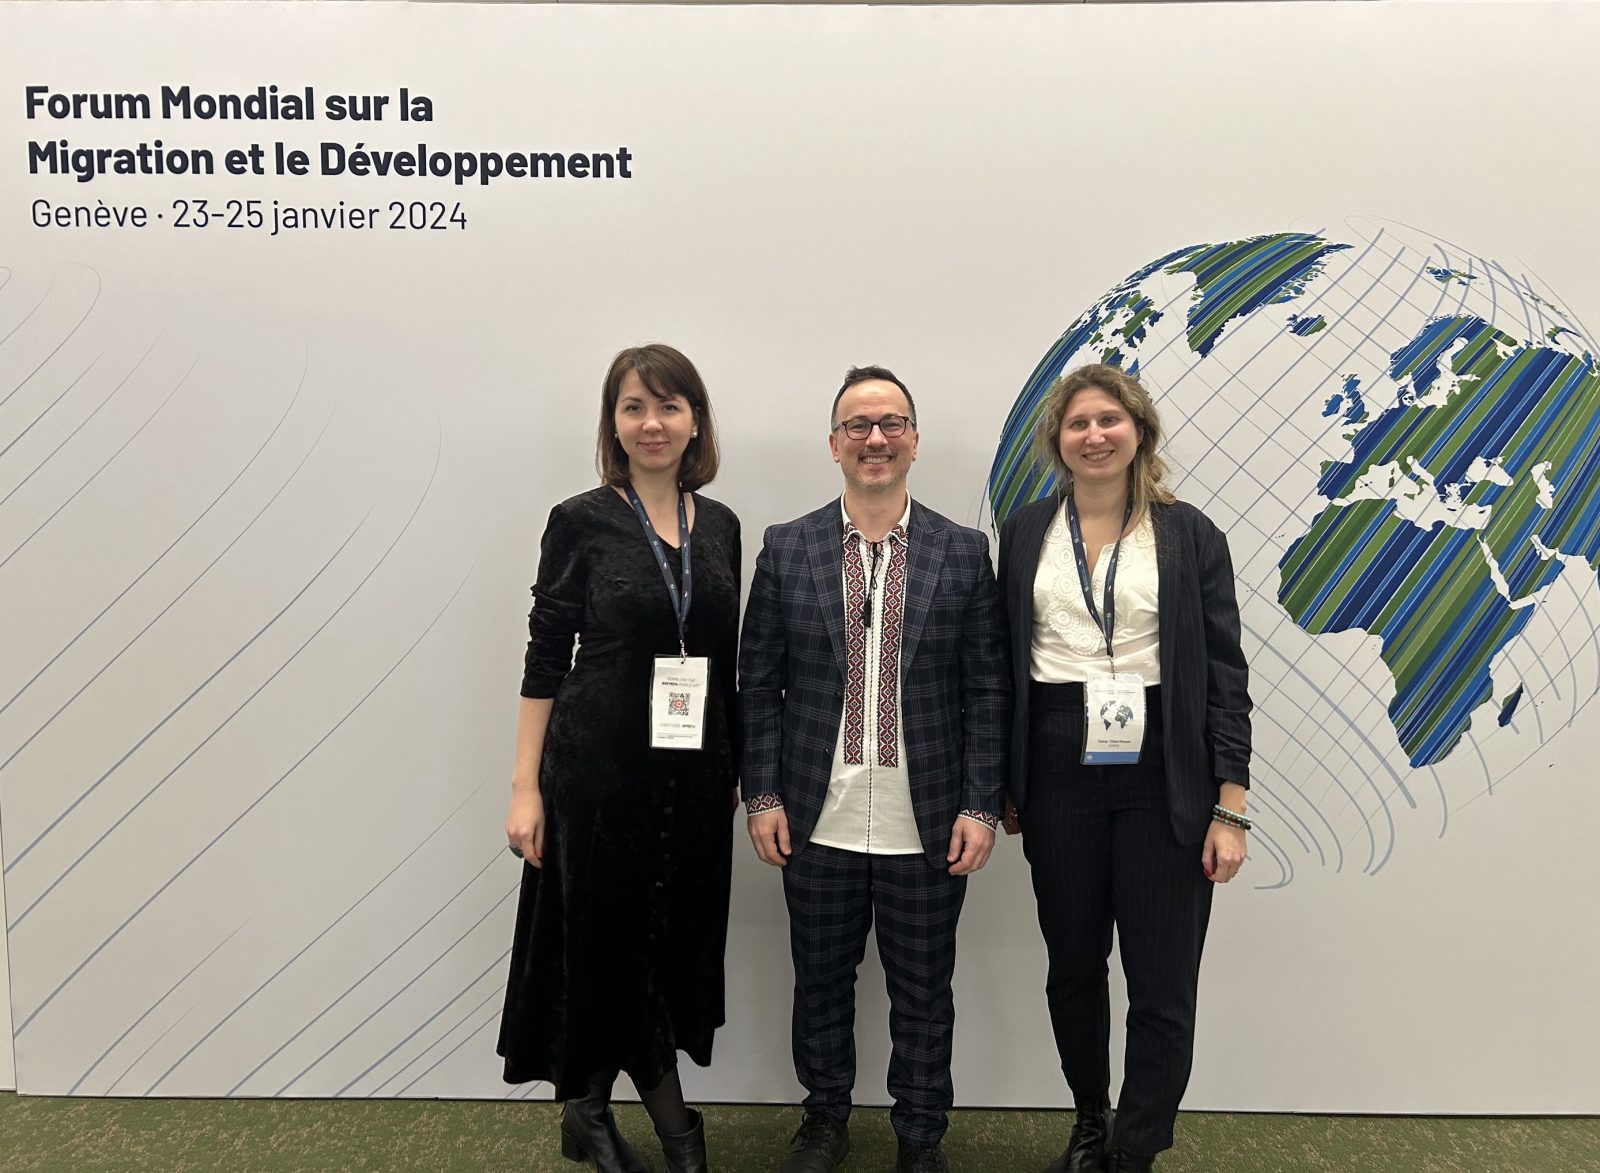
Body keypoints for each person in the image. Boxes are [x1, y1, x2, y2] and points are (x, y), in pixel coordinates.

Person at [739, 366, 1010, 1173]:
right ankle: (824, 1120)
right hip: (814, 817)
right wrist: (762, 794)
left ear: (915, 441)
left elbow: (987, 688)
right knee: (819, 982)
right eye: (858, 425)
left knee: (924, 994)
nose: (876, 438)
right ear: (834, 444)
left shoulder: (964, 554)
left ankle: (920, 1134)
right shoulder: (787, 548)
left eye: (891, 423)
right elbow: (760, 682)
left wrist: (981, 804)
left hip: (925, 820)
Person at [996, 363, 1252, 1173]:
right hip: (1056, 760)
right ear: (1058, 440)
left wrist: (1230, 803)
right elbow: (1006, 660)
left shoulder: (1190, 535)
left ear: (1139, 430)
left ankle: (1135, 1147)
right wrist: (1005, 781)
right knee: (1072, 963)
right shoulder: (1029, 529)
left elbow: (1225, 674)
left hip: (1163, 768)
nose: (1094, 434)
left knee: (1161, 977)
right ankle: (1088, 1121)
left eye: (1110, 419)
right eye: (1078, 423)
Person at [498, 345, 741, 1173]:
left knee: (663, 944)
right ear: (613, 422)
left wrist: (737, 774)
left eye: (669, 406)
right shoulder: (581, 520)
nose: (652, 423)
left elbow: (719, 654)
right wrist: (525, 786)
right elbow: (543, 658)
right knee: (613, 945)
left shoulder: (725, 527)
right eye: (634, 406)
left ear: (695, 420)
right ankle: (680, 1135)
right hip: (597, 772)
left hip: (695, 777)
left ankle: (587, 1109)